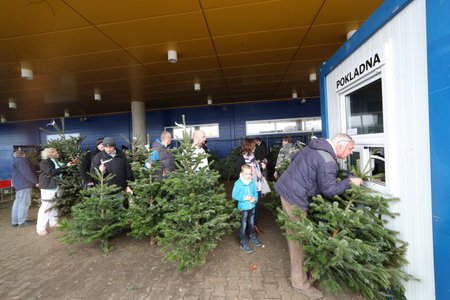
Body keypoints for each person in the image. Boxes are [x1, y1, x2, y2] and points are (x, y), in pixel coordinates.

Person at [275, 133, 363, 299]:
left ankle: (304, 273)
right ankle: (300, 284)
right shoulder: (328, 161)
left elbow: (295, 158)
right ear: (341, 145)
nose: (351, 152)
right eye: (350, 148)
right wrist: (350, 182)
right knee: (298, 240)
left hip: (287, 189)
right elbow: (329, 190)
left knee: (300, 237)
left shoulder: (316, 145)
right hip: (294, 197)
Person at [36, 147, 76, 236]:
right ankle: (40, 228)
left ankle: (53, 222)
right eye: (56, 152)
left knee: (54, 205)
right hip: (48, 187)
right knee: (46, 207)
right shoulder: (44, 162)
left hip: (56, 186)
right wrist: (66, 166)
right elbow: (51, 172)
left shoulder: (55, 161)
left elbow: (63, 166)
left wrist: (69, 164)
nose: (57, 153)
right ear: (50, 153)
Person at [235, 138, 264, 234]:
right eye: (254, 146)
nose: (255, 148)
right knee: (247, 208)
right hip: (247, 188)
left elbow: (256, 170)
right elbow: (238, 175)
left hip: (257, 186)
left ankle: (254, 224)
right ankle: (247, 227)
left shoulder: (253, 157)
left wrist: (262, 166)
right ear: (249, 147)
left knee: (256, 206)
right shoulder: (241, 160)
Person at [232, 164, 262, 254]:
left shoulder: (252, 182)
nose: (248, 175)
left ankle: (252, 236)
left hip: (252, 206)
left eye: (250, 174)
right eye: (246, 174)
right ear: (242, 173)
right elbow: (234, 195)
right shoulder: (238, 183)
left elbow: (255, 193)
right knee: (243, 224)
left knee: (251, 222)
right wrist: (243, 198)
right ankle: (243, 241)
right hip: (243, 209)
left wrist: (255, 199)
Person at [11, 150, 38, 227]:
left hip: (19, 185)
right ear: (23, 155)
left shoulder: (16, 161)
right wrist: (36, 181)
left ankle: (15, 221)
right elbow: (27, 172)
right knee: (24, 203)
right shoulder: (22, 161)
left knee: (18, 203)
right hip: (24, 184)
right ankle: (22, 221)